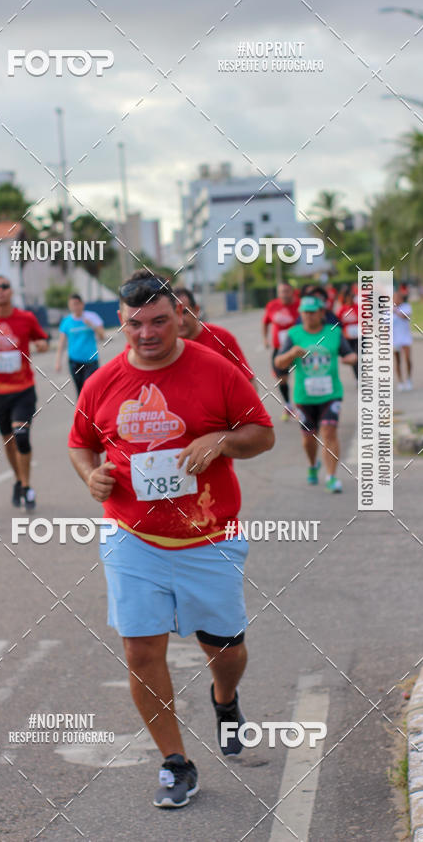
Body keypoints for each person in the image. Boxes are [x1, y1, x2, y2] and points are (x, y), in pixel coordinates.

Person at [68, 269, 274, 809]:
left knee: (225, 649)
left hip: (210, 537)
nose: (148, 333)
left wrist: (222, 439)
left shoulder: (216, 369)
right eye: (136, 323)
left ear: (180, 315)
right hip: (131, 537)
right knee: (140, 650)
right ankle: (175, 764)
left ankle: (224, 699)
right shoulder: (101, 382)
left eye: (160, 320)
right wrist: (90, 475)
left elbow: (263, 433)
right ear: (121, 321)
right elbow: (79, 444)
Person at [0, 276, 48, 510]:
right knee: (9, 441)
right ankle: (18, 479)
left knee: (21, 435)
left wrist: (42, 345)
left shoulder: (25, 318)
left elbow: (41, 338)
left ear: (11, 291)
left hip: (23, 389)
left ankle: (26, 487)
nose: (1, 291)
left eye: (5, 286)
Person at [275, 295, 357, 493]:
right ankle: (313, 465)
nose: (308, 316)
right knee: (308, 438)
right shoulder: (293, 335)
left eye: (312, 312)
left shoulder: (334, 333)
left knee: (329, 432)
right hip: (304, 396)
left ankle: (331, 476)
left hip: (331, 394)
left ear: (321, 313)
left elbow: (350, 354)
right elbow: (279, 364)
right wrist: (290, 354)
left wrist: (350, 359)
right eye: (304, 312)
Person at [173, 287, 256, 387]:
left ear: (196, 310)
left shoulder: (222, 338)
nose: (180, 320)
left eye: (185, 312)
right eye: (175, 313)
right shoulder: (167, 345)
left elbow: (248, 381)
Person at [262, 282, 300, 420]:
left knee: (302, 376)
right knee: (281, 378)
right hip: (280, 349)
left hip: (298, 349)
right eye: (281, 291)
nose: (284, 294)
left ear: (292, 292)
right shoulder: (272, 306)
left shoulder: (300, 305)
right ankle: (289, 405)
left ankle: (303, 405)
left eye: (286, 291)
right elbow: (265, 322)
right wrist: (265, 339)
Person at [55, 294, 105, 395]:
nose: (75, 307)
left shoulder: (92, 317)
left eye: (77, 304)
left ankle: (93, 410)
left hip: (91, 361)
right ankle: (82, 410)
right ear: (69, 306)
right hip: (74, 361)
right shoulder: (66, 321)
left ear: (82, 304)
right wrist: (58, 361)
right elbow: (61, 343)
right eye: (72, 305)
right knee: (80, 391)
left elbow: (102, 336)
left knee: (91, 389)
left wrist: (91, 325)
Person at [336, 285, 359, 380]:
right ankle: (358, 377)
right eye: (348, 297)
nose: (350, 299)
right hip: (348, 337)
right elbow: (338, 323)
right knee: (354, 357)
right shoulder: (342, 309)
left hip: (359, 336)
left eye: (351, 297)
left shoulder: (357, 307)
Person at [393, 290, 413, 391]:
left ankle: (409, 379)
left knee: (407, 359)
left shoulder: (406, 307)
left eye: (398, 298)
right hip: (394, 339)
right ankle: (400, 381)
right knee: (398, 361)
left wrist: (396, 310)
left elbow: (406, 317)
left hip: (405, 337)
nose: (396, 300)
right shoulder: (388, 310)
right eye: (394, 298)